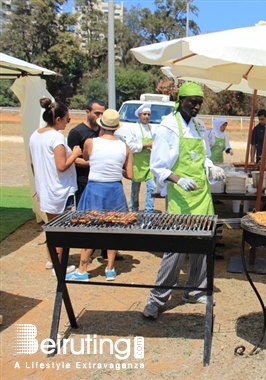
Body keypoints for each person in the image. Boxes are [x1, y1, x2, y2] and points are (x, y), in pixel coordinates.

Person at [143, 82, 225, 319]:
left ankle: (195, 290)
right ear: (181, 101)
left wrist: (211, 168)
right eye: (192, 102)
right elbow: (157, 166)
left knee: (202, 244)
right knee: (176, 249)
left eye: (200, 102)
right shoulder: (167, 127)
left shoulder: (199, 127)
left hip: (201, 196)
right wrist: (178, 180)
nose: (197, 106)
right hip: (180, 197)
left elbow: (205, 157)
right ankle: (157, 299)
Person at [65, 109, 133, 282]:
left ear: (102, 125)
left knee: (89, 228)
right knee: (113, 228)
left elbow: (87, 158)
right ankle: (110, 269)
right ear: (116, 128)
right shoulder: (124, 147)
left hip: (95, 188)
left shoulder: (90, 142)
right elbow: (130, 175)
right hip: (115, 190)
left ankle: (82, 270)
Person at [30, 98, 82, 275]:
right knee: (61, 227)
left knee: (51, 226)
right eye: (67, 119)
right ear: (58, 119)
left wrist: (40, 183)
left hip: (46, 188)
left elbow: (33, 163)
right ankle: (60, 266)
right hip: (60, 189)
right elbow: (62, 165)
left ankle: (51, 260)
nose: (68, 122)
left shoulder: (35, 135)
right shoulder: (57, 137)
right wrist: (75, 154)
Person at [67, 99, 105, 207]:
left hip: (100, 178)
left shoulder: (104, 130)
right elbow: (73, 159)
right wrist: (94, 163)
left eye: (102, 113)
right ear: (87, 112)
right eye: (97, 113)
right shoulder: (76, 132)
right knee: (83, 212)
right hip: (83, 179)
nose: (100, 116)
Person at [124, 102, 156, 212]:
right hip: (137, 163)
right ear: (139, 115)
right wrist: (145, 145)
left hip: (149, 164)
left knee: (152, 187)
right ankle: (134, 209)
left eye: (148, 114)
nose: (146, 116)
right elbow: (130, 146)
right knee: (135, 190)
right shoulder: (132, 128)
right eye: (144, 114)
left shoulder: (152, 129)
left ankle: (149, 212)